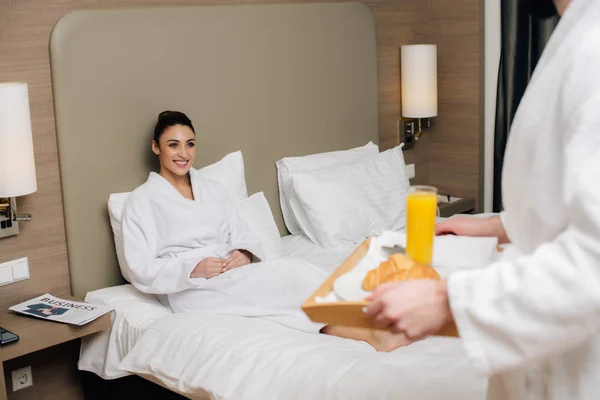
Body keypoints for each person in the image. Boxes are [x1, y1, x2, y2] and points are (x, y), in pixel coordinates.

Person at [366, 0, 600, 397]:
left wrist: (448, 302)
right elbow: (571, 194)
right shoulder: (577, 30)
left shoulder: (592, 46)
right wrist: (499, 225)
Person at [121, 110, 409, 351]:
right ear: (156, 147)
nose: (183, 154)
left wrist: (243, 253)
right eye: (173, 145)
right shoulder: (142, 201)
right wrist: (193, 268)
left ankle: (372, 329)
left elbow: (242, 233)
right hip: (190, 290)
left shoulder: (212, 189)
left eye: (190, 144)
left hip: (230, 272)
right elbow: (140, 268)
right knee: (292, 276)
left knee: (295, 281)